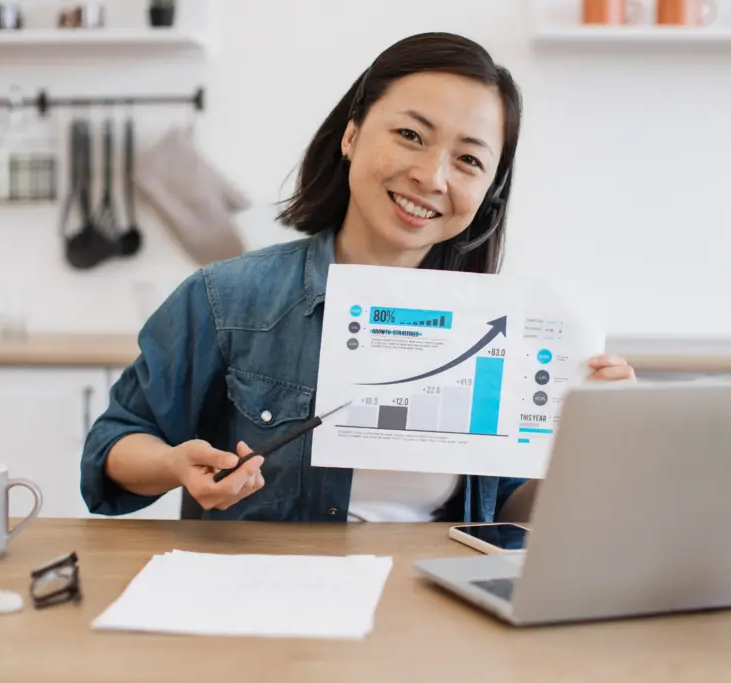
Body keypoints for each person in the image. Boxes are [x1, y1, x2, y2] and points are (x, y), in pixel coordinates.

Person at [80, 31, 635, 524]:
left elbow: (508, 514)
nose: (431, 177)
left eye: (469, 160)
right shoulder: (226, 298)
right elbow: (111, 446)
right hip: (270, 595)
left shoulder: (509, 332)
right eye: (411, 135)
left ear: (490, 190)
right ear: (351, 136)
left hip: (432, 599)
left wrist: (593, 446)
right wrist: (173, 464)